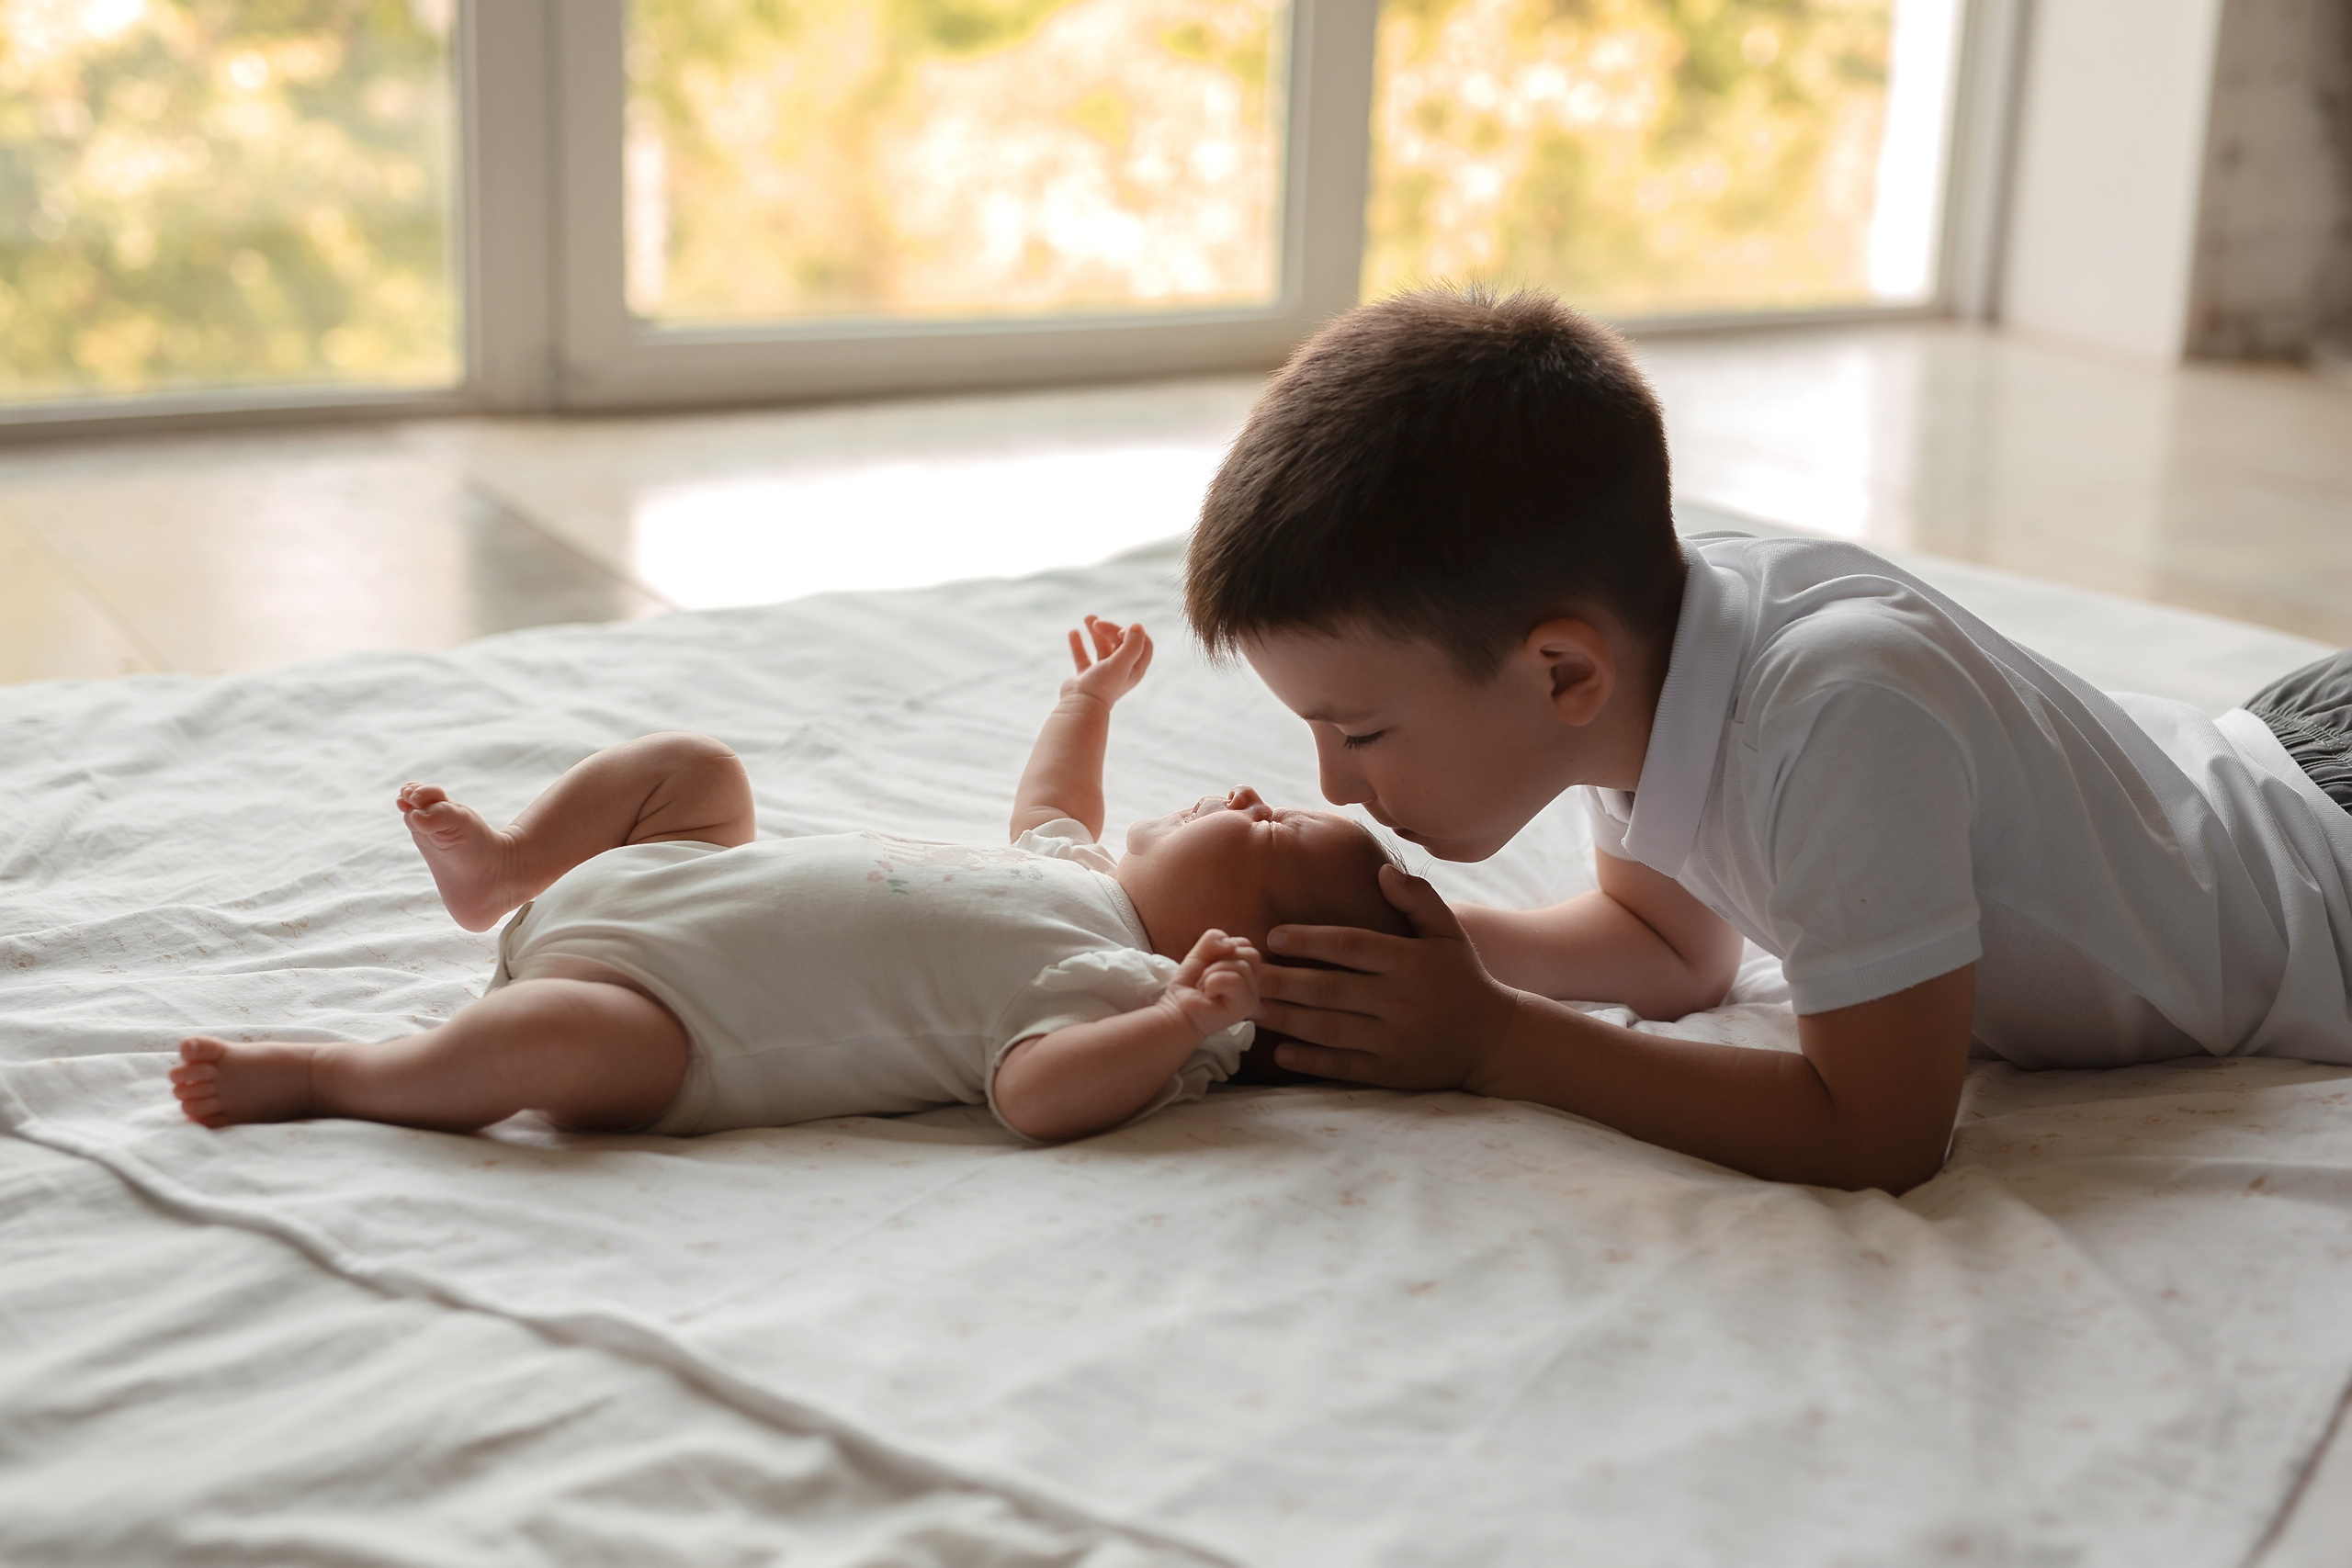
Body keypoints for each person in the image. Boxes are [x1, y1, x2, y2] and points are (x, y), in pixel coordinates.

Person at [1185, 285, 2352, 1195]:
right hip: (2277, 756)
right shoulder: (1649, 662)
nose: (1333, 782)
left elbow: (1879, 1132)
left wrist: (1495, 1042)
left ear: (1560, 673)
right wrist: (1405, 960)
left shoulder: (1838, 712)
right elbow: (1669, 948)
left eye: (1361, 729)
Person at [168, 617, 1406, 1145]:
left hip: (669, 1019)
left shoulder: (1120, 991)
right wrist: (1084, 701)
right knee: (698, 769)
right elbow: (1053, 806)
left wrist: (1183, 1020)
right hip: (669, 877)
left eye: (1278, 834)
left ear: (1242, 952)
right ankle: (509, 869)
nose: (1252, 795)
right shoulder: (1081, 874)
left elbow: (1031, 1097)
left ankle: (334, 1069)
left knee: (544, 1046)